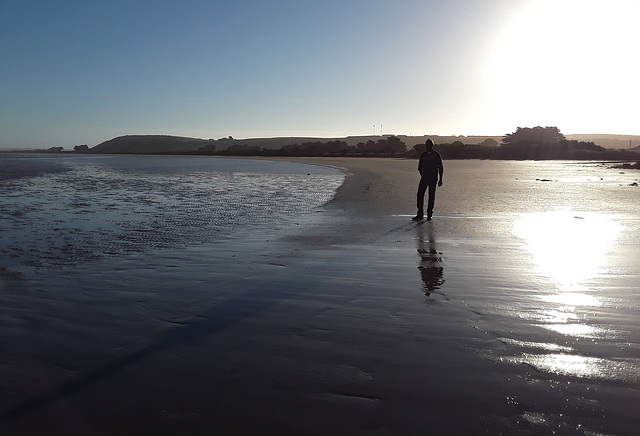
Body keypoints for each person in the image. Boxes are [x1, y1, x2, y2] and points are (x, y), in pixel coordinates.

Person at [413, 139, 443, 221]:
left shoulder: (436, 155)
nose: (428, 146)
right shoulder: (423, 155)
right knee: (420, 195)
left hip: (433, 178)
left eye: (429, 145)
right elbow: (420, 167)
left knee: (431, 196)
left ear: (432, 145)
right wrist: (422, 174)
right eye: (427, 145)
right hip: (424, 178)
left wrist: (440, 179)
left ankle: (429, 214)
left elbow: (440, 167)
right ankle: (420, 214)